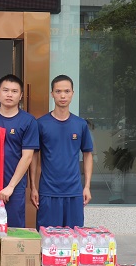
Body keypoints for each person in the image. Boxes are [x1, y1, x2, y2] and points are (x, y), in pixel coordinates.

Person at [30, 74, 94, 228]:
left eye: (67, 91)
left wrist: (87, 186)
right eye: (58, 91)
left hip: (74, 192)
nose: (63, 95)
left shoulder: (80, 124)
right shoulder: (41, 124)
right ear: (52, 94)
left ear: (72, 93)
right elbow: (33, 157)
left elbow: (87, 155)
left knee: (74, 237)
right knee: (47, 237)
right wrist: (33, 187)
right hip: (48, 191)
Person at [0, 74, 39, 228]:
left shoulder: (28, 121)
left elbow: (27, 157)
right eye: (5, 90)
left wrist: (10, 186)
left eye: (14, 91)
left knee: (13, 228)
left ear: (21, 96)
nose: (9, 94)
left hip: (14, 185)